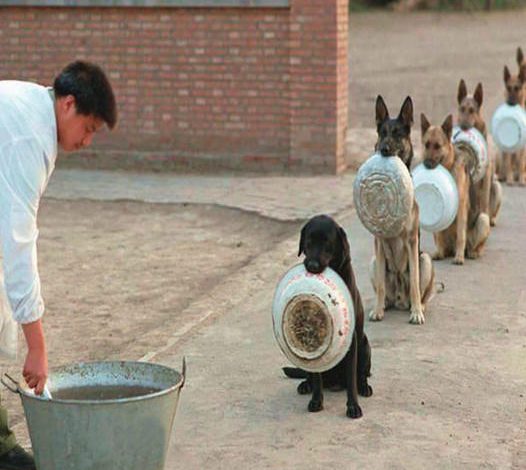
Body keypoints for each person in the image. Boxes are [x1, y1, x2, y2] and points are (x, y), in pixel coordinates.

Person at [0, 61, 117, 470]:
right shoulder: (29, 135)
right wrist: (37, 346)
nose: (87, 141)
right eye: (88, 129)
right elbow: (18, 242)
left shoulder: (33, 110)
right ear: (68, 104)